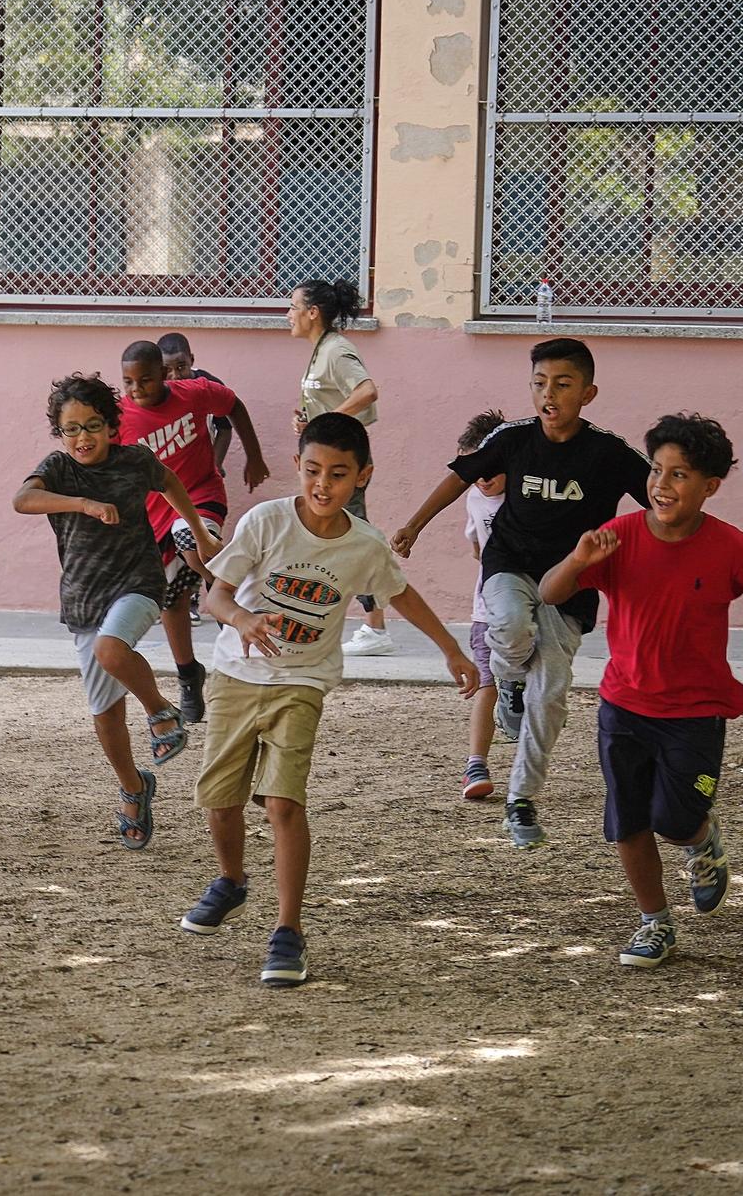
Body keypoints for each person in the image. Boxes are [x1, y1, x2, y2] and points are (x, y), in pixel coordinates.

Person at [182, 413, 478, 986]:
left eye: (338, 474)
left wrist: (452, 649)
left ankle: (287, 931)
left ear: (362, 477)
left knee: (283, 803)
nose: (323, 484)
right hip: (236, 676)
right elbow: (216, 593)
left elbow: (402, 593)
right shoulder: (266, 522)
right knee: (221, 802)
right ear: (297, 466)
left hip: (303, 681)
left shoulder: (364, 545)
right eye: (313, 470)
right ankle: (232, 881)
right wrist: (242, 617)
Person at [539, 413, 743, 968]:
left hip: (696, 713)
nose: (662, 485)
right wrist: (578, 559)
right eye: (657, 471)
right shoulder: (616, 538)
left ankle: (701, 840)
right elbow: (549, 592)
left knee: (675, 816)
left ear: (710, 486)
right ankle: (654, 923)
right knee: (628, 820)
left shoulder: (731, 549)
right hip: (623, 706)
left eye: (680, 474)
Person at [391, 339, 649, 848]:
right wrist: (415, 524)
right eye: (539, 383)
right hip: (509, 563)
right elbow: (458, 477)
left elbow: (658, 499)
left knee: (551, 694)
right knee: (508, 626)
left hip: (572, 582)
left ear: (588, 393)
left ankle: (521, 797)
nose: (548, 394)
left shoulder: (608, 451)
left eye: (562, 384)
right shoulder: (512, 438)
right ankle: (507, 680)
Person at [12, 372, 219, 851]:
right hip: (84, 598)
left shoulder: (133, 462)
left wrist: (201, 534)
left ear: (112, 426)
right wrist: (82, 503)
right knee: (104, 715)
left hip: (139, 583)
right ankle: (133, 788)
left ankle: (161, 713)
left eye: (92, 425)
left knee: (111, 649)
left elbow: (171, 483)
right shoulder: (59, 469)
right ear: (59, 433)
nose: (83, 437)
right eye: (72, 429)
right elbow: (22, 499)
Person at [118, 339, 270, 724]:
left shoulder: (194, 393)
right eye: (128, 382)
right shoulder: (120, 417)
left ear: (165, 376)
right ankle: (189, 676)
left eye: (146, 381)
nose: (137, 390)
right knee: (172, 597)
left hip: (202, 495)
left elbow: (233, 405)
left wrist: (254, 455)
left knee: (192, 539)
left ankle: (227, 596)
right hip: (155, 515)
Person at [286, 279, 391, 656]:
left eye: (293, 306)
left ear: (313, 312)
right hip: (325, 466)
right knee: (328, 538)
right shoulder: (320, 350)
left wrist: (326, 421)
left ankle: (376, 626)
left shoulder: (337, 350)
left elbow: (366, 390)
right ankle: (319, 616)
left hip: (344, 467)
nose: (288, 315)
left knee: (354, 539)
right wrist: (308, 424)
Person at [455, 409, 509, 801]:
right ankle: (476, 762)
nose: (484, 477)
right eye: (476, 469)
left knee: (527, 689)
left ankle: (527, 764)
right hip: (486, 609)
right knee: (487, 683)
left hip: (532, 608)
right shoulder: (474, 498)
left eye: (492, 467)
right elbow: (476, 548)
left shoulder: (530, 493)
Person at [158, 332, 236, 476]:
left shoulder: (210, 387)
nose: (175, 376)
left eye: (181, 367)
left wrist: (215, 464)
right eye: (167, 370)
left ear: (191, 360)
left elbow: (225, 429)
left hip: (201, 468)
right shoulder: (155, 390)